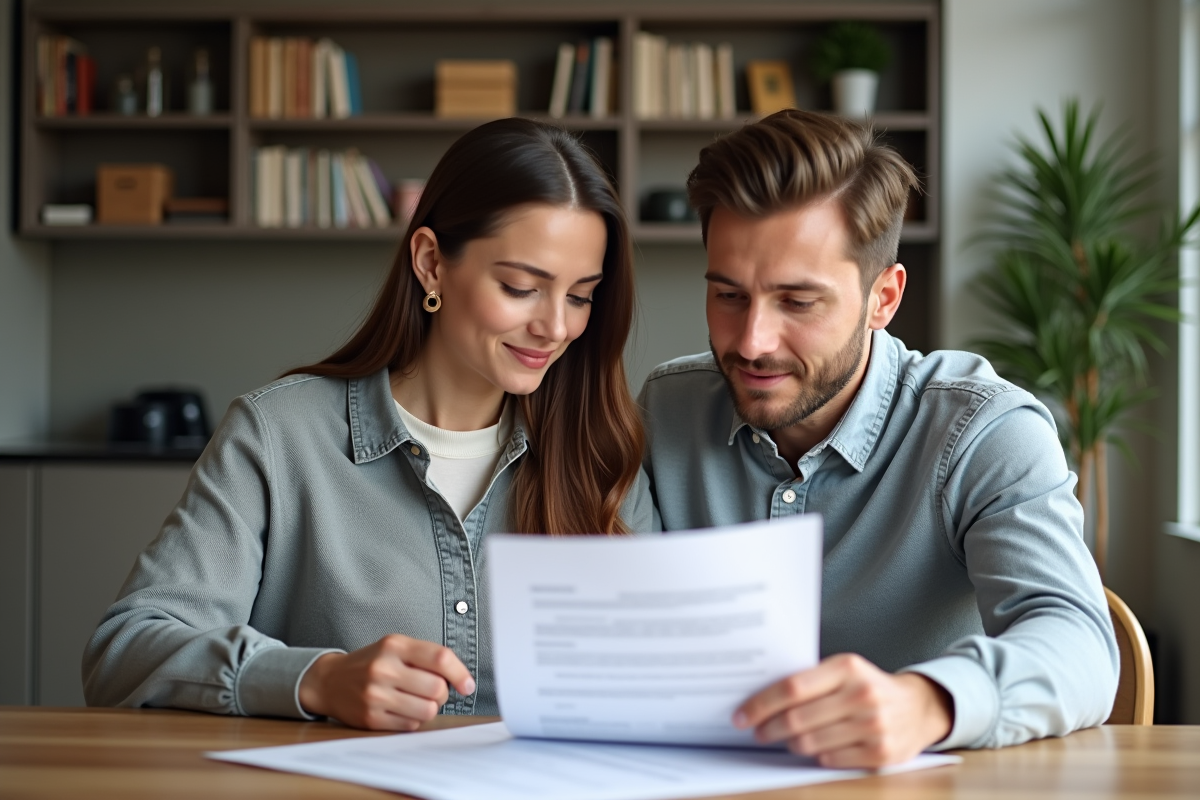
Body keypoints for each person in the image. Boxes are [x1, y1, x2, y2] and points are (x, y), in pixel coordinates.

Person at [84, 118, 653, 730]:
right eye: (521, 288)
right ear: (432, 263)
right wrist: (317, 679)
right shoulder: (279, 436)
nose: (556, 327)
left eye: (580, 296)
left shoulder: (602, 453)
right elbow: (124, 652)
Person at [639, 109, 1117, 767]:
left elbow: (1080, 644)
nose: (751, 341)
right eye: (728, 295)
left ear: (883, 299)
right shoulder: (667, 409)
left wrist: (927, 703)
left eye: (798, 302)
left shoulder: (984, 431)